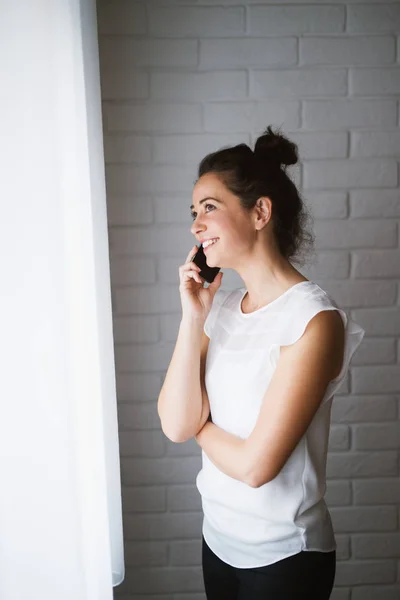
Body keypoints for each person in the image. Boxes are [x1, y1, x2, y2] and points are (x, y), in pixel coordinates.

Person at [158, 125, 365, 599]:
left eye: (209, 207)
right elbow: (173, 423)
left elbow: (256, 467)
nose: (195, 225)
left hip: (285, 559)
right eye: (193, 212)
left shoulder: (314, 320)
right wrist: (193, 319)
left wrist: (198, 423)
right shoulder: (223, 308)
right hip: (218, 541)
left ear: (260, 212)